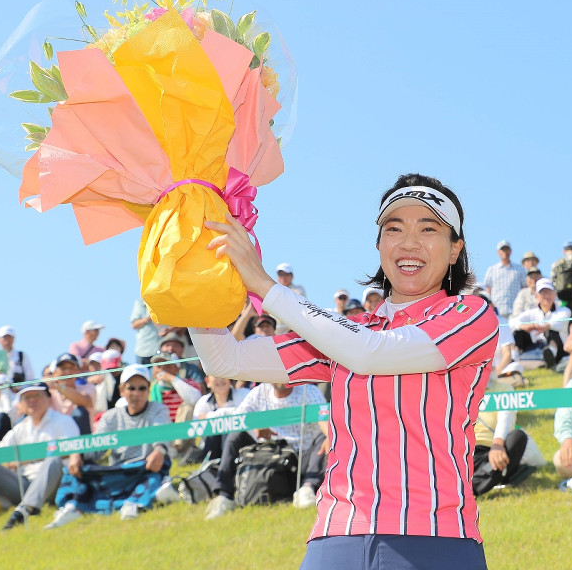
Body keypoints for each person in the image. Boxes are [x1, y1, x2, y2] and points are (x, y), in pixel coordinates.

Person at [191, 173, 498, 569]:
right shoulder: (352, 330)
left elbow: (370, 354)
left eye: (428, 228)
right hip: (335, 538)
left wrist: (266, 286)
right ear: (379, 245)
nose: (408, 242)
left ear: (456, 249)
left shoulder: (470, 313)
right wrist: (193, 271)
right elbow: (224, 360)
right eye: (394, 228)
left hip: (435, 538)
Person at [45, 365, 171, 527]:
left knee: (157, 472)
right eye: (131, 388)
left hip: (145, 467)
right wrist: (77, 454)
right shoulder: (111, 416)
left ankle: (131, 503)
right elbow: (96, 448)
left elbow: (160, 432)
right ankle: (72, 507)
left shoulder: (158, 409)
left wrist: (159, 449)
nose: (137, 393)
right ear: (122, 391)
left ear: (148, 390)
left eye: (142, 388)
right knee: (77, 470)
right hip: (120, 470)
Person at [0, 382, 80, 533]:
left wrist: (29, 458)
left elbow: (73, 449)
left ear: (48, 399)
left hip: (53, 485)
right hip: (23, 483)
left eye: (37, 395)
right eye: (27, 398)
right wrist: (9, 461)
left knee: (54, 459)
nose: (32, 400)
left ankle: (24, 511)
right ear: (21, 404)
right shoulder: (20, 428)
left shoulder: (63, 421)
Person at [204, 382, 328, 520]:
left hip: (300, 457)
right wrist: (256, 426)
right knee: (235, 436)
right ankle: (224, 495)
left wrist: (329, 435)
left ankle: (308, 488)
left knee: (325, 437)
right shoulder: (259, 392)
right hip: (269, 454)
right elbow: (239, 419)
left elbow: (323, 418)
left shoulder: (308, 390)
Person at [509, 278, 571, 369]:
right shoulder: (531, 312)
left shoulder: (564, 310)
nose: (546, 295)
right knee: (518, 331)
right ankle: (514, 359)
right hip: (536, 346)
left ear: (555, 294)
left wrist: (546, 326)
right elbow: (512, 322)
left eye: (549, 291)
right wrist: (524, 326)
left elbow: (559, 323)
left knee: (552, 331)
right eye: (543, 292)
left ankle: (551, 354)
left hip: (560, 350)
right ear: (536, 295)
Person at [48, 353, 95, 434]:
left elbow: (85, 401)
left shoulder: (88, 387)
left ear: (78, 372)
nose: (68, 371)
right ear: (55, 372)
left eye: (72, 368)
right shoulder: (49, 392)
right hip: (55, 439)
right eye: (63, 368)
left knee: (79, 412)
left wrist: (59, 387)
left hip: (79, 440)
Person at [484, 241, 527, 318]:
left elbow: (525, 288)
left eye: (507, 249)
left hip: (515, 312)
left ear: (510, 251)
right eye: (503, 250)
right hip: (497, 312)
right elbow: (488, 291)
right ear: (498, 252)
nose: (505, 252)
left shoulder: (520, 269)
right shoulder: (492, 270)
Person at [130, 297, 164, 364]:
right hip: (142, 350)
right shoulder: (139, 302)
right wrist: (149, 318)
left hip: (159, 348)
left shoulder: (163, 301)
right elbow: (134, 325)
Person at [551, 240, 572, 316]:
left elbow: (552, 280)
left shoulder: (556, 263)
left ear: (564, 251)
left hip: (561, 295)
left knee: (563, 315)